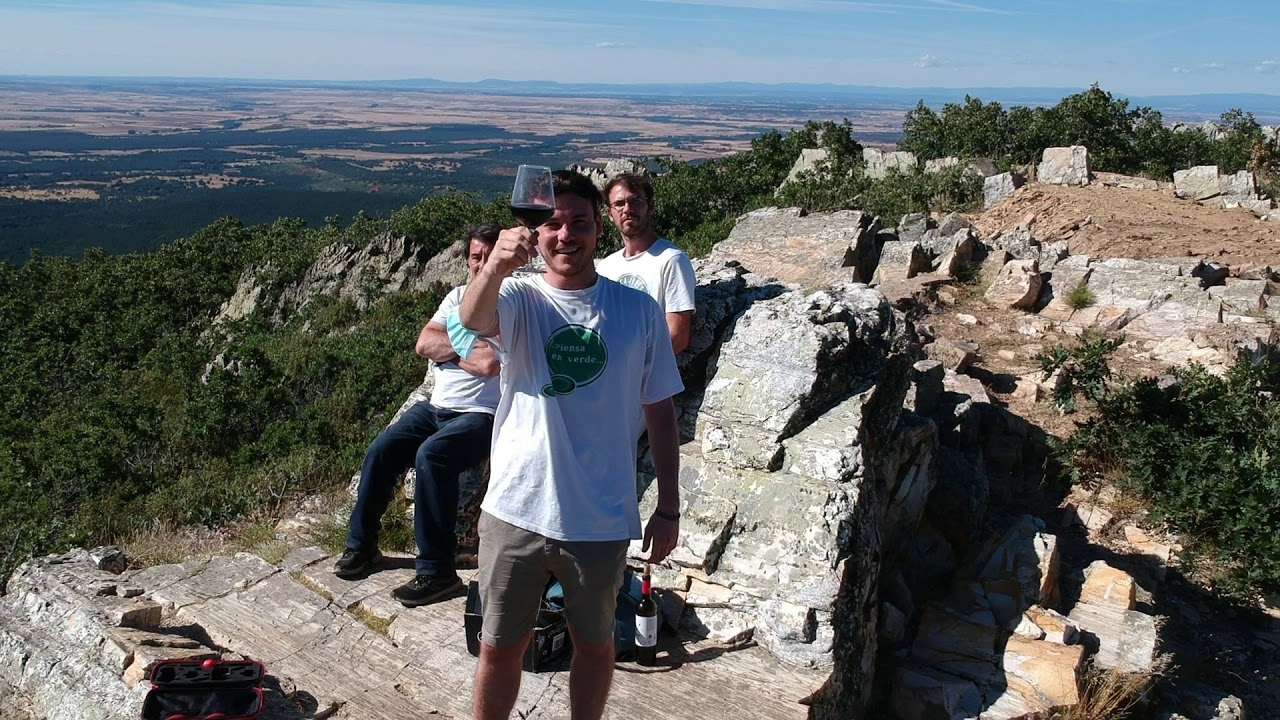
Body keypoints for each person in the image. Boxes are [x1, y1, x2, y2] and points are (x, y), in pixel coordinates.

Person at [459, 170, 684, 720]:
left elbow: (660, 409)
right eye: (553, 224)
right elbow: (471, 318)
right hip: (516, 508)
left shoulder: (638, 311)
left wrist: (670, 506)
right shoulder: (519, 297)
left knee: (596, 645)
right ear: (537, 233)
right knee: (498, 646)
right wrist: (494, 265)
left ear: (597, 229)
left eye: (578, 222)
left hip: (600, 517)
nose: (566, 235)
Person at [333, 224, 502, 608]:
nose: (480, 264)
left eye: (488, 256)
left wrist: (451, 347)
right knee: (383, 448)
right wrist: (463, 350)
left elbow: (490, 363)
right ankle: (362, 548)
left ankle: (437, 570)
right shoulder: (456, 296)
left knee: (433, 456)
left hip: (484, 413)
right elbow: (424, 342)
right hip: (436, 406)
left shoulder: (509, 300)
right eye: (476, 256)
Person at [598, 172, 697, 354]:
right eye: (619, 204)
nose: (627, 209)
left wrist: (628, 367)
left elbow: (677, 337)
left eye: (635, 201)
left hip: (647, 375)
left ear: (650, 206)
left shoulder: (671, 260)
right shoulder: (606, 267)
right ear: (609, 214)